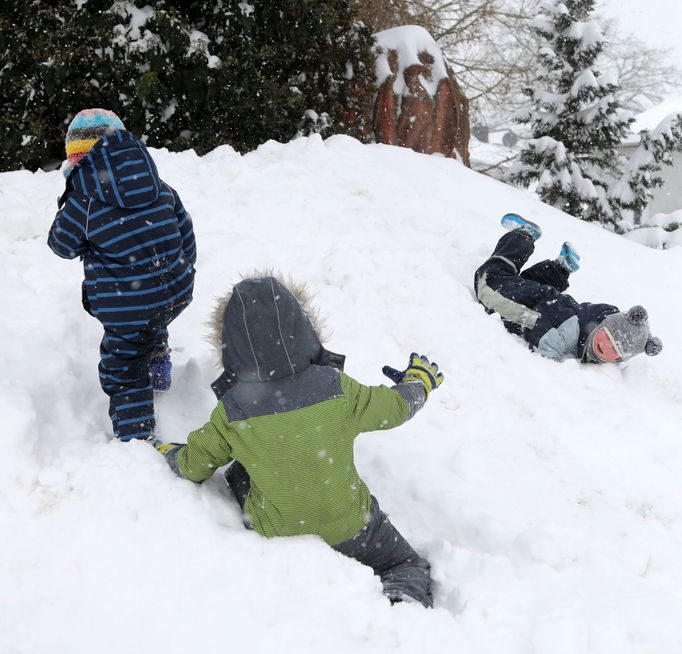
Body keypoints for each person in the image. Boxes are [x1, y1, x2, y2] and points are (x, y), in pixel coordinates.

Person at [154, 275, 444, 607]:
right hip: (355, 529)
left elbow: (194, 465)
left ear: (230, 347)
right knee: (404, 563)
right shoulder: (337, 387)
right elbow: (396, 408)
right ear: (303, 330)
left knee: (239, 470)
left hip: (279, 531)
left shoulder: (233, 409)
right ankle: (402, 604)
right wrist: (418, 383)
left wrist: (170, 453)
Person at [47, 108, 196, 441]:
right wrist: (182, 268)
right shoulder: (158, 185)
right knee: (151, 320)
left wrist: (70, 207)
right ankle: (158, 368)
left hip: (129, 303)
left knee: (123, 366)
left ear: (77, 159)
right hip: (175, 290)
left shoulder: (83, 201)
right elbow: (185, 231)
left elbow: (61, 245)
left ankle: (136, 438)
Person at [474, 213, 663, 363]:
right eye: (608, 338)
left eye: (615, 351)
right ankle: (523, 235)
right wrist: (548, 345)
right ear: (605, 326)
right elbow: (547, 340)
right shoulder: (573, 331)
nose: (606, 347)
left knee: (524, 282)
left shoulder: (598, 319)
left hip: (547, 300)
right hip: (534, 305)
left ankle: (559, 269)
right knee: (488, 282)